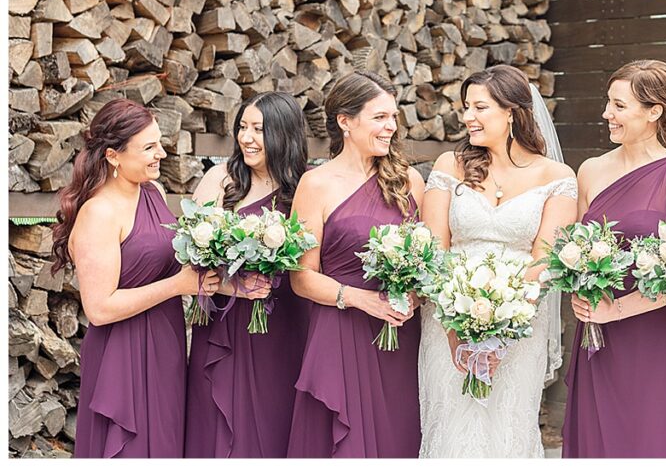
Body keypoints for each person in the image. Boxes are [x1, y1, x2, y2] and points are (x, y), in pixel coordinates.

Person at [418, 64, 576, 458]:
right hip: (447, 318)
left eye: (479, 107)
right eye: (466, 107)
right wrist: (456, 325)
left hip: (520, 324)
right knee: (451, 425)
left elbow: (546, 258)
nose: (467, 116)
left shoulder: (556, 176)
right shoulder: (448, 167)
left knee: (508, 427)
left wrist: (504, 324)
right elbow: (432, 250)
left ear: (511, 112)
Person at [50, 98, 220, 458]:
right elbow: (99, 308)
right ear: (113, 156)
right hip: (122, 352)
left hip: (166, 344)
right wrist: (179, 286)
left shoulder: (153, 193)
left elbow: (173, 264)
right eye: (149, 147)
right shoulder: (99, 212)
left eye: (159, 142)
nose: (161, 153)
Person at [561, 59, 666, 458]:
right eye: (608, 103)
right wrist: (578, 285)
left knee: (650, 440)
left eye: (619, 105)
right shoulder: (589, 170)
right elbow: (572, 250)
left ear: (654, 111)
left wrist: (618, 309)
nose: (607, 113)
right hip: (596, 335)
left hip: (654, 335)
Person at [287, 71, 425, 458]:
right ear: (345, 121)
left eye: (394, 117)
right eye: (380, 117)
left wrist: (412, 295)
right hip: (340, 329)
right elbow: (301, 277)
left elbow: (429, 257)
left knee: (398, 438)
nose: (391, 127)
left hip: (398, 332)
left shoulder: (410, 181)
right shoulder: (316, 184)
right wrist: (360, 299)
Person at [184, 92, 310, 457]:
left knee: (276, 419)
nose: (246, 138)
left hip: (285, 323)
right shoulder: (221, 180)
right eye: (242, 127)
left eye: (258, 129)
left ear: (283, 135)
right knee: (223, 426)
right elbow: (191, 256)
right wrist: (234, 286)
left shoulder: (305, 186)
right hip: (228, 321)